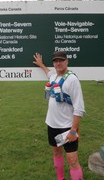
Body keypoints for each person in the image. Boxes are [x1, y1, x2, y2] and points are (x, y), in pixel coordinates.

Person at [33, 51, 85, 180]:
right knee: (56, 153)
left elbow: (79, 108)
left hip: (68, 127)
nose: (58, 63)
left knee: (72, 159)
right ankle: (60, 178)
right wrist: (41, 64)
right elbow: (49, 72)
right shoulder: (54, 76)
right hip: (52, 124)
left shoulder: (72, 79)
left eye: (61, 60)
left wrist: (73, 131)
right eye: (56, 61)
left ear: (67, 61)